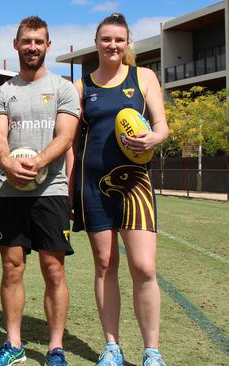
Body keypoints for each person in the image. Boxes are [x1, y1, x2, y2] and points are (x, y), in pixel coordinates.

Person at [70, 13, 169, 366]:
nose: (113, 45)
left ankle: (152, 352)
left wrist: (154, 138)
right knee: (104, 264)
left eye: (119, 40)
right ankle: (112, 346)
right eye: (106, 39)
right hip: (93, 186)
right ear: (96, 42)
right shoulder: (82, 87)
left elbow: (161, 127)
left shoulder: (143, 77)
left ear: (127, 44)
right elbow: (72, 144)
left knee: (143, 267)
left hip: (135, 184)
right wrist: (70, 188)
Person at [0, 16, 80, 366]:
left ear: (48, 46)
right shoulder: (2, 92)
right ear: (16, 44)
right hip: (11, 194)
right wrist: (6, 161)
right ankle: (14, 344)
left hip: (51, 193)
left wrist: (38, 162)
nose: (32, 47)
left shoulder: (63, 88)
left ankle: (55, 348)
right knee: (12, 269)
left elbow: (66, 136)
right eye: (26, 41)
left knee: (54, 270)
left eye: (39, 41)